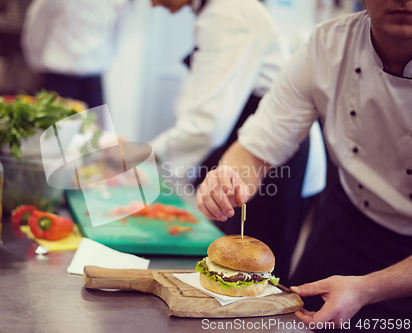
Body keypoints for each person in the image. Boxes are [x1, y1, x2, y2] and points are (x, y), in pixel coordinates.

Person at [197, 0, 412, 328]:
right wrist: (228, 179)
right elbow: (257, 146)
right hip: (346, 224)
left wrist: (366, 289)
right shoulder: (328, 46)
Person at [149, 0, 326, 280]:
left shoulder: (229, 14)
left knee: (257, 270)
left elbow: (208, 124)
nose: (152, 3)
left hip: (274, 157)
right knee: (229, 261)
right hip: (246, 153)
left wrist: (148, 155)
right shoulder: (216, 13)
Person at [21, 0, 129, 111]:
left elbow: (118, 30)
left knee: (95, 126)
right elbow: (38, 23)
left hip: (93, 78)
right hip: (59, 75)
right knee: (54, 126)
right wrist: (35, 60)